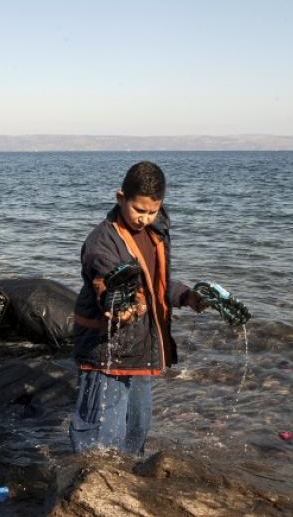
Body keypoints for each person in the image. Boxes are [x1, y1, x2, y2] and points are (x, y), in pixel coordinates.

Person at [69, 161, 205, 455]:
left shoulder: (156, 232)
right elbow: (105, 284)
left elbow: (156, 280)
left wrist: (187, 296)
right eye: (138, 210)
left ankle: (128, 476)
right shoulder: (101, 243)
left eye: (152, 211)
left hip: (141, 347)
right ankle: (87, 483)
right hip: (105, 349)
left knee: (137, 426)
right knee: (101, 430)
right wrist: (120, 308)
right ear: (120, 198)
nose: (144, 218)